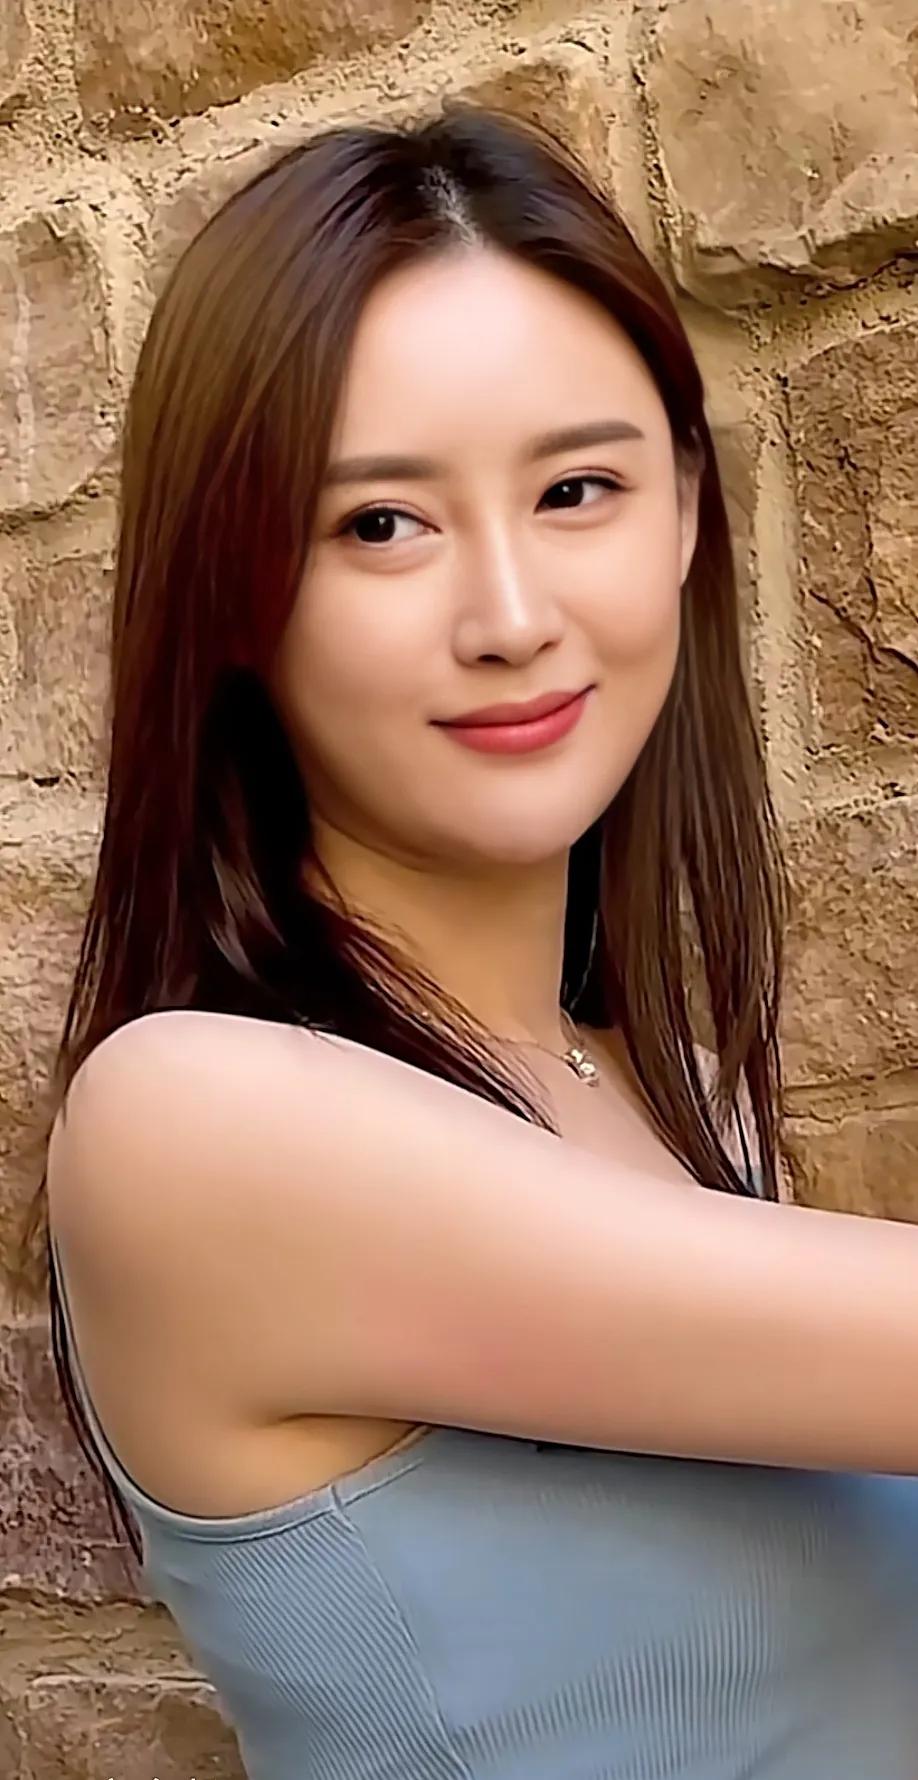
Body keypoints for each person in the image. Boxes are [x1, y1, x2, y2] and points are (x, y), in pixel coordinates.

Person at [36, 108, 918, 1779]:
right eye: (379, 525)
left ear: (684, 516)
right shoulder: (192, 1121)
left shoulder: (688, 1103)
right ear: (234, 591)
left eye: (577, 489)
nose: (509, 617)